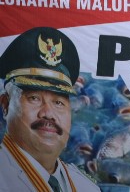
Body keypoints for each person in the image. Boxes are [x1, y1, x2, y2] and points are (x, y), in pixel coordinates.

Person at [0, 27, 100, 192]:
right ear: (5, 105)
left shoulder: (87, 187)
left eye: (58, 102)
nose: (48, 113)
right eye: (34, 98)